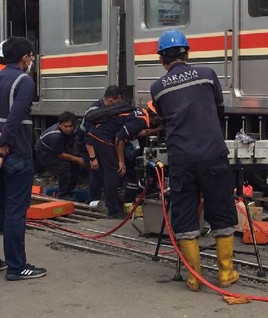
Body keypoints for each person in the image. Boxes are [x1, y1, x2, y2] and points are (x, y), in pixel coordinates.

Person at [149, 30, 238, 292]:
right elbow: (219, 109)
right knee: (221, 211)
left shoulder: (157, 88)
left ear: (161, 59)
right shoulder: (208, 75)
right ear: (187, 53)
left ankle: (194, 278)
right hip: (212, 153)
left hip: (182, 159)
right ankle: (225, 273)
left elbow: (164, 119)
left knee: (186, 214)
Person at [0, 36, 46, 281]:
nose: (31, 60)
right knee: (15, 210)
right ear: (25, 57)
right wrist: (3, 149)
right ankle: (16, 266)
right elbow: (15, 118)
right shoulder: (24, 81)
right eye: (31, 56)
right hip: (15, 154)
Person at [85, 102, 158, 218]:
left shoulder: (138, 113)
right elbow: (120, 138)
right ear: (156, 116)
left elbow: (133, 132)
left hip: (97, 133)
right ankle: (113, 210)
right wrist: (121, 162)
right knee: (112, 172)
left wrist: (156, 130)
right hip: (103, 136)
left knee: (108, 172)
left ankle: (113, 203)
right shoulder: (141, 121)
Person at [73, 86, 123, 204]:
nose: (119, 105)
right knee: (95, 172)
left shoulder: (106, 108)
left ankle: (102, 200)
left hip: (97, 143)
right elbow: (88, 137)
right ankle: (92, 201)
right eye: (118, 102)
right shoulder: (95, 111)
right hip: (86, 145)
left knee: (102, 172)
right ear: (112, 100)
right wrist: (93, 158)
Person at [35, 111, 85, 200]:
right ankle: (62, 194)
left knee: (74, 165)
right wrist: (78, 159)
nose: (69, 129)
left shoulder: (71, 130)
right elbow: (60, 155)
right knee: (64, 167)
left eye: (70, 126)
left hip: (56, 149)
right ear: (60, 125)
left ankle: (69, 190)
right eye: (66, 126)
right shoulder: (55, 136)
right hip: (44, 153)